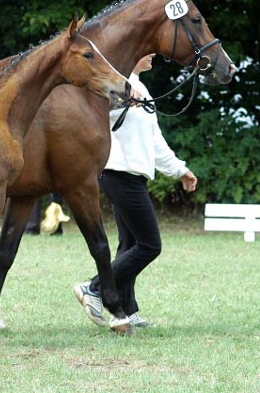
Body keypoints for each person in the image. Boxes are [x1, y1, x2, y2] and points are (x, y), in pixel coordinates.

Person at [73, 53, 198, 328]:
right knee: (150, 245)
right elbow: (98, 117)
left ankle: (127, 311)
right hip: (118, 172)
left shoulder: (142, 86)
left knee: (129, 245)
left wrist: (180, 170)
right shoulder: (115, 83)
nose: (153, 54)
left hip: (134, 175)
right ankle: (93, 288)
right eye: (146, 50)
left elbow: (154, 140)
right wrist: (119, 102)